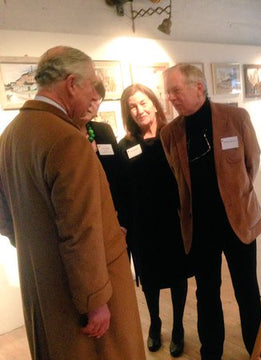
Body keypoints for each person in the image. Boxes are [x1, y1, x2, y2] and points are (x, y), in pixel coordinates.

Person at [0, 46, 145, 360]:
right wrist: (95, 301)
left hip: (43, 283)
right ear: (71, 84)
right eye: (91, 83)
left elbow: (4, 215)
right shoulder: (66, 139)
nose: (95, 92)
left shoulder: (11, 135)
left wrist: (37, 247)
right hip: (82, 294)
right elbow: (80, 230)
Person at [161, 64, 261, 360]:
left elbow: (252, 162)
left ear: (198, 87)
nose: (171, 98)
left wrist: (236, 196)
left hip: (238, 220)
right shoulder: (170, 133)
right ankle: (211, 353)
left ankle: (259, 351)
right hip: (199, 228)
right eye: (168, 92)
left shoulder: (235, 118)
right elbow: (178, 177)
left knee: (247, 291)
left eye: (176, 91)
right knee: (206, 294)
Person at [118, 83, 191, 357]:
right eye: (132, 106)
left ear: (154, 102)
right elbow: (121, 188)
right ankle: (155, 322)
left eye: (143, 103)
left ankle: (179, 327)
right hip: (142, 224)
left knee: (177, 275)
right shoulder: (125, 145)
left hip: (172, 220)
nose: (139, 110)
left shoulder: (172, 135)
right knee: (148, 279)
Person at [77, 81, 127, 229]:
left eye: (96, 100)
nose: (91, 104)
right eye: (89, 99)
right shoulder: (67, 136)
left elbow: (119, 175)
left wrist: (124, 221)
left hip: (116, 217)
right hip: (85, 222)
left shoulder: (104, 131)